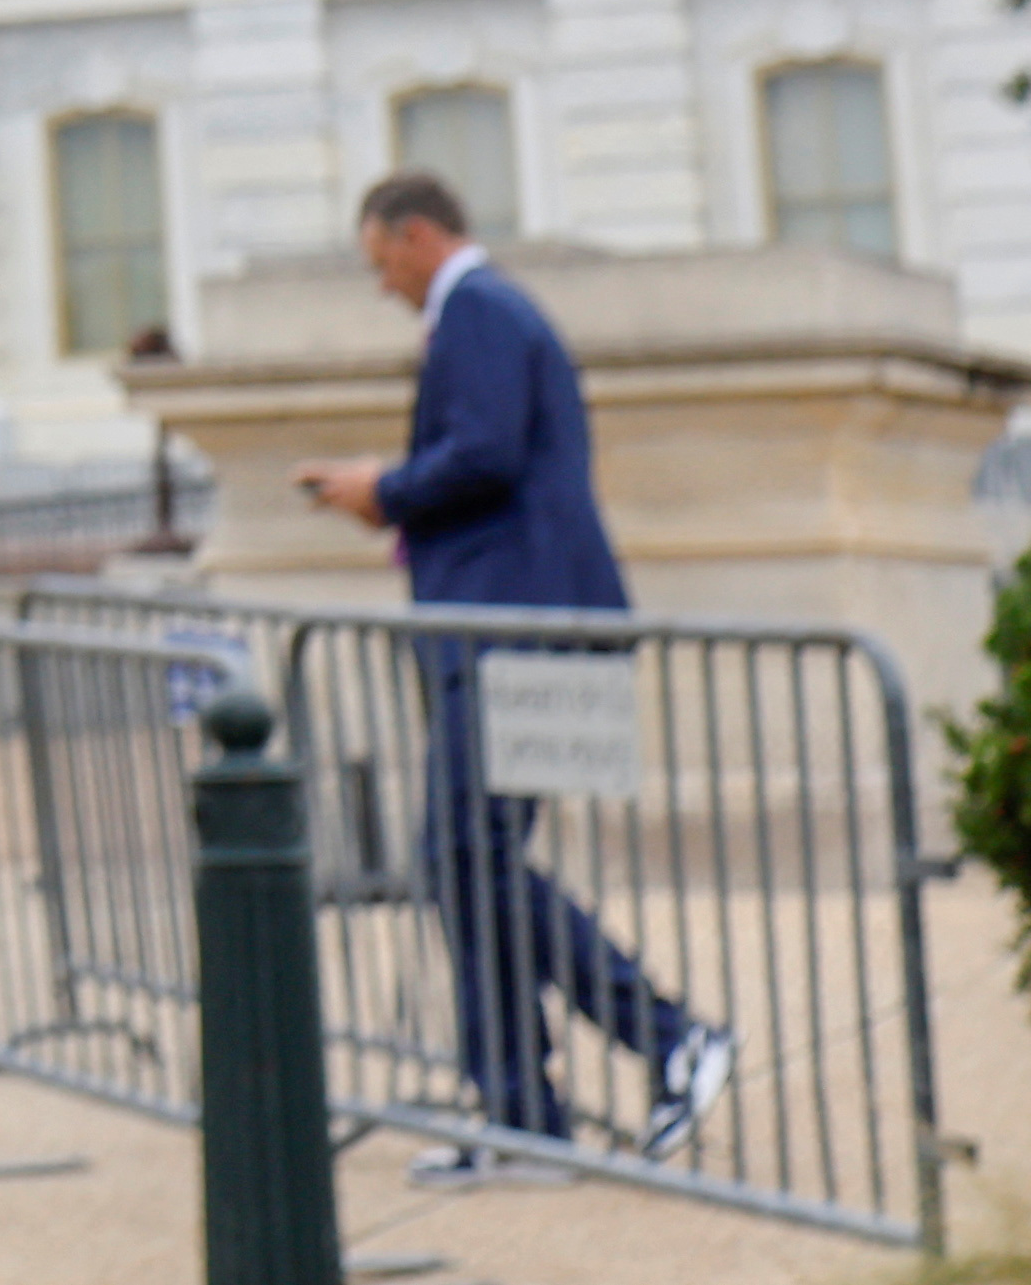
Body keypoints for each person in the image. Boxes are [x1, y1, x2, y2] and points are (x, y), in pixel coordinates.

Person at [296, 172, 735, 1185]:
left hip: (513, 632)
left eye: (380, 264)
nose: (382, 287)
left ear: (414, 236)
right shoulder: (490, 315)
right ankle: (523, 1118)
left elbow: (484, 454)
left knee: (462, 855)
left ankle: (662, 1040)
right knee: (465, 859)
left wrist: (385, 490)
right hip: (519, 626)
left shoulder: (479, 311)